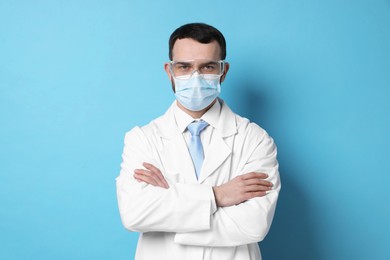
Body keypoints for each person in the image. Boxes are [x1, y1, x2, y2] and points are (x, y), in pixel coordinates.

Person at [116, 23, 281, 260]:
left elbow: (252, 225)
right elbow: (134, 213)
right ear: (169, 70)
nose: (195, 76)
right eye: (184, 66)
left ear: (223, 71)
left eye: (207, 67)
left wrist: (172, 209)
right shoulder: (142, 139)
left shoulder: (255, 139)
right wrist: (217, 196)